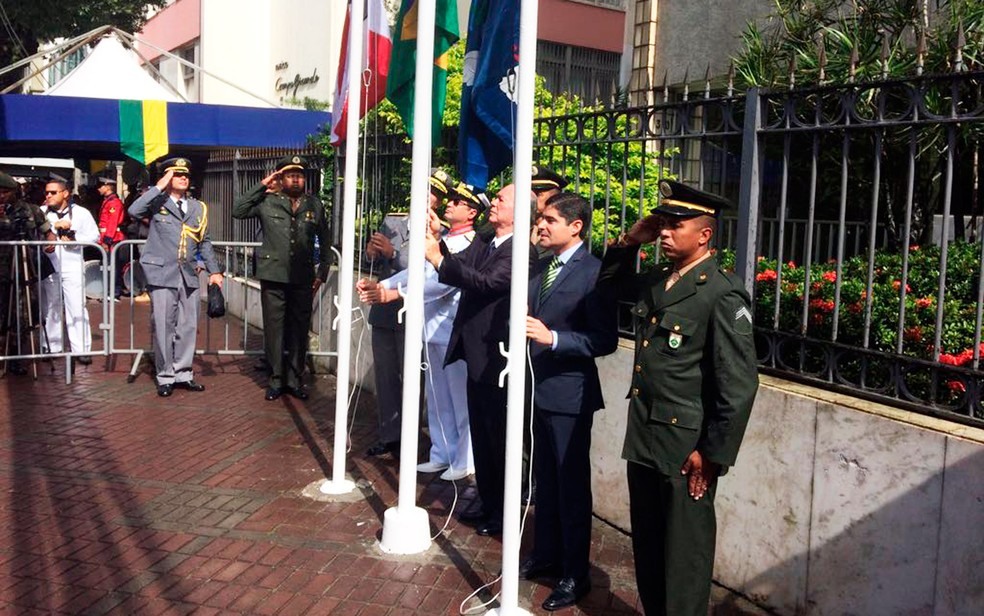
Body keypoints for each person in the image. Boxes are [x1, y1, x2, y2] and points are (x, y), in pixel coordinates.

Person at [599, 180, 758, 616]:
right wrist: (632, 239)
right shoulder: (659, 282)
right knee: (648, 548)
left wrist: (711, 453)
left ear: (704, 235)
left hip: (686, 448)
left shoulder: (721, 294)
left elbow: (738, 385)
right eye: (662, 224)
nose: (664, 233)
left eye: (674, 225)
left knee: (683, 558)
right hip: (646, 436)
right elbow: (608, 287)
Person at [519, 192, 617, 611]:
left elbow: (604, 340)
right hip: (537, 389)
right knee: (545, 478)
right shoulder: (543, 267)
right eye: (541, 218)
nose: (541, 225)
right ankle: (547, 554)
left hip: (569, 396)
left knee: (570, 484)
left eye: (550, 219)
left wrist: (553, 338)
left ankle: (574, 575)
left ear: (576, 227)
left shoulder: (595, 273)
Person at [424, 183, 533, 537]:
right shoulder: (488, 241)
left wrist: (438, 258)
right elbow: (460, 268)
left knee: (498, 438)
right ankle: (487, 502)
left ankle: (503, 512)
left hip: (497, 357)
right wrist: (437, 241)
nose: (494, 202)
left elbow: (486, 283)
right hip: (476, 353)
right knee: (484, 438)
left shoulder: (520, 250)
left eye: (501, 199)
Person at [359, 179, 483, 481]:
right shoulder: (440, 242)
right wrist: (384, 284)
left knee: (458, 397)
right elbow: (416, 269)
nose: (450, 204)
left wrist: (396, 294)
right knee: (438, 396)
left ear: (472, 213)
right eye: (450, 200)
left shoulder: (470, 244)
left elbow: (441, 282)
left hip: (452, 329)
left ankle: (464, 457)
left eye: (458, 202)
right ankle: (442, 452)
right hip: (430, 329)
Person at [232, 155, 331, 401]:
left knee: (299, 330)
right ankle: (276, 379)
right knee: (275, 330)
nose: (296, 179)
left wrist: (322, 273)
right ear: (281, 178)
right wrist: (263, 183)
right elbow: (238, 210)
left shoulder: (314, 205)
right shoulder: (267, 202)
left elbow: (326, 240)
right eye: (290, 175)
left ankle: (295, 379)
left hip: (303, 277)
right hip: (273, 275)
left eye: (299, 175)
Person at [129, 158, 224, 397]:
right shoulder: (157, 201)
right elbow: (133, 210)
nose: (183, 178)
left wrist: (214, 271)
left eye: (186, 175)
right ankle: (165, 375)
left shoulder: (197, 208)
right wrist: (159, 185)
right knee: (163, 325)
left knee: (188, 326)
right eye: (177, 174)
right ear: (167, 177)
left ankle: (183, 373)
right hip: (161, 273)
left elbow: (205, 241)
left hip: (189, 273)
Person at [0, 171, 56, 374]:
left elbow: (48, 233)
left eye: (5, 192)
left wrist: (50, 244)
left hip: (21, 269)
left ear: (14, 192)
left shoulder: (30, 211)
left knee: (21, 313)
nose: (1, 196)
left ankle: (16, 356)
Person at [39, 179, 99, 365]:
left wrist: (73, 236)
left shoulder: (81, 213)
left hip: (72, 265)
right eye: (47, 192)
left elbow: (94, 235)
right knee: (50, 306)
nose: (48, 195)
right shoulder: (40, 213)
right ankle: (52, 346)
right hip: (49, 265)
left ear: (65, 193)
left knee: (76, 306)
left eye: (53, 192)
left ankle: (81, 349)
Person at [96, 176, 128, 300]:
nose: (99, 189)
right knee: (108, 265)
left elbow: (112, 223)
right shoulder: (108, 201)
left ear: (108, 186)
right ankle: (110, 291)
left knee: (112, 266)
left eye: (101, 186)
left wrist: (107, 240)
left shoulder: (114, 202)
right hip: (108, 237)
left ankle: (114, 292)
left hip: (113, 238)